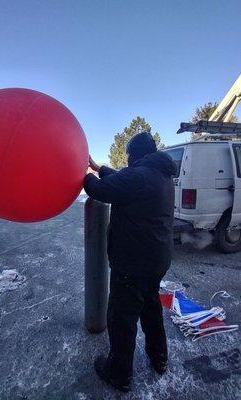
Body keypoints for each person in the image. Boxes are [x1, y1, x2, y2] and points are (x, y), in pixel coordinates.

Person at [84, 132, 176, 392]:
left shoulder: (140, 175)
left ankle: (119, 374)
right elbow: (122, 180)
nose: (128, 160)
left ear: (137, 155)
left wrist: (85, 175)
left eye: (129, 156)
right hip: (155, 260)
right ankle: (160, 358)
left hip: (133, 264)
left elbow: (99, 189)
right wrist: (98, 167)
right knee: (151, 309)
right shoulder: (159, 174)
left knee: (122, 319)